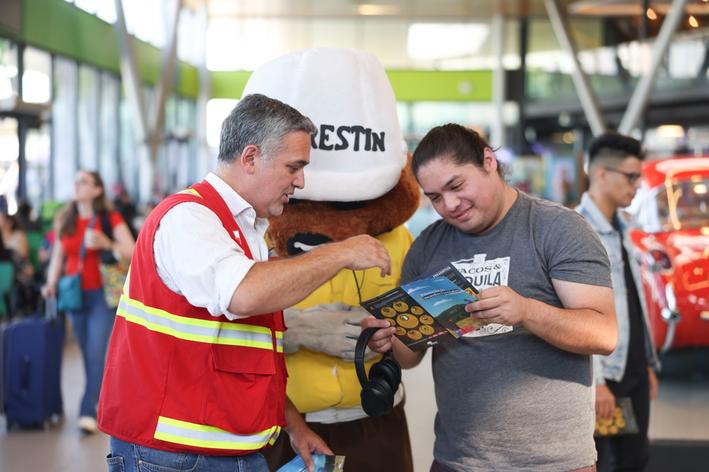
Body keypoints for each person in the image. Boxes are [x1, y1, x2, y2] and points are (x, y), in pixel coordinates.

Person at [97, 94, 392, 472]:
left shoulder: (245, 230)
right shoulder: (189, 219)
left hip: (227, 449)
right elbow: (244, 294)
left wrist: (293, 425)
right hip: (174, 454)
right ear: (250, 158)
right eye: (293, 167)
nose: (300, 181)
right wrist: (340, 253)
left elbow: (248, 349)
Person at [363, 123, 618, 472]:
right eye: (435, 197)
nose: (450, 205)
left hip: (553, 462)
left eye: (456, 186)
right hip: (458, 459)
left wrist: (526, 311)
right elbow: (409, 357)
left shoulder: (558, 228)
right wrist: (388, 338)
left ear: (488, 161)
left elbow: (604, 334)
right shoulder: (427, 247)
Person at [576, 131, 660, 472]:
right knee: (597, 459)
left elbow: (632, 299)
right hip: (605, 374)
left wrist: (647, 363)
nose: (637, 185)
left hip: (633, 366)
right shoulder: (577, 229)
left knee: (634, 459)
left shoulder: (623, 227)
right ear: (601, 174)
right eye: (631, 176)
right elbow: (578, 313)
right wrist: (597, 383)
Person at [42, 170, 135, 433]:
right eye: (76, 180)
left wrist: (106, 243)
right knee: (87, 353)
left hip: (102, 297)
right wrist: (50, 283)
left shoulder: (110, 218)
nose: (77, 185)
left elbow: (133, 250)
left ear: (97, 190)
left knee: (95, 353)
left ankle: (87, 410)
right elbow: (58, 257)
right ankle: (97, 400)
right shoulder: (66, 220)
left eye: (83, 181)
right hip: (74, 296)